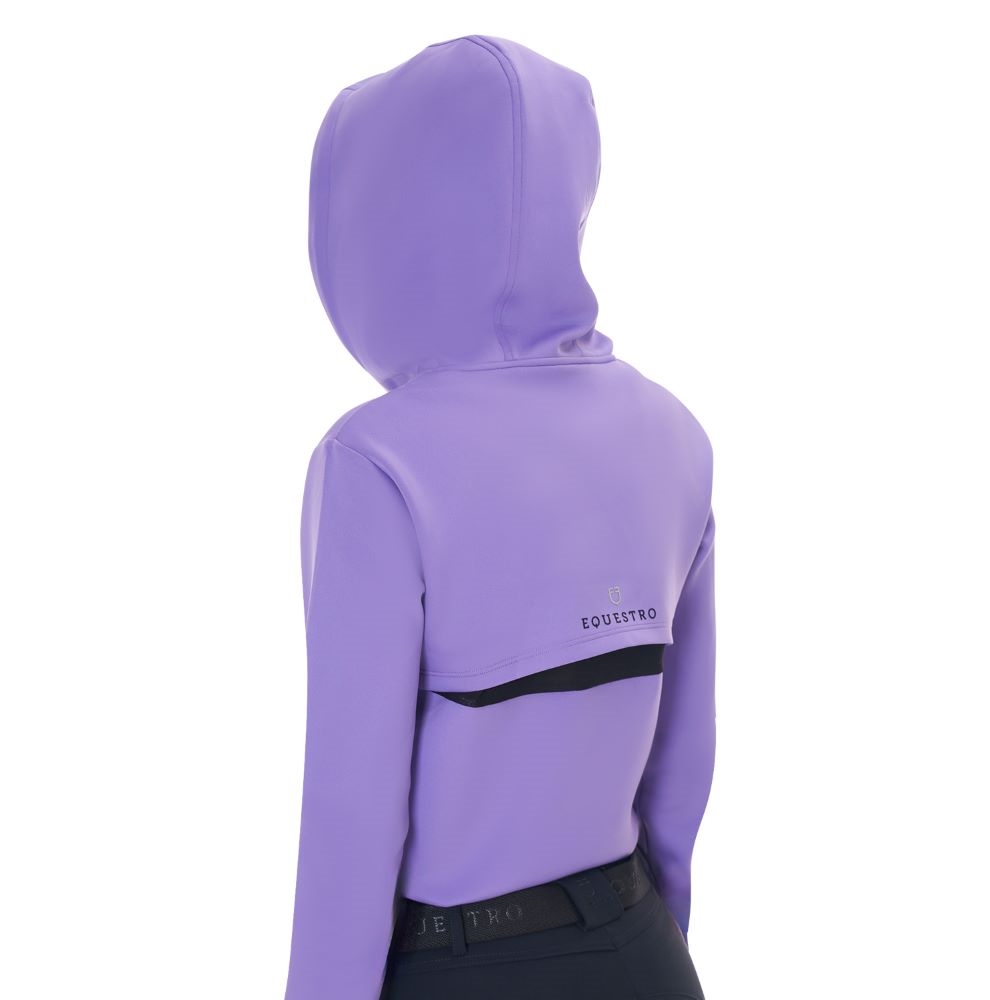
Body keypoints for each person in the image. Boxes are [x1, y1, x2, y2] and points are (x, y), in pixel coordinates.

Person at [282, 34, 717, 1000]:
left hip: (462, 965)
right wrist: (654, 944)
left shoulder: (377, 460)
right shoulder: (674, 432)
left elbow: (352, 811)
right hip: (642, 947)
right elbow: (683, 767)